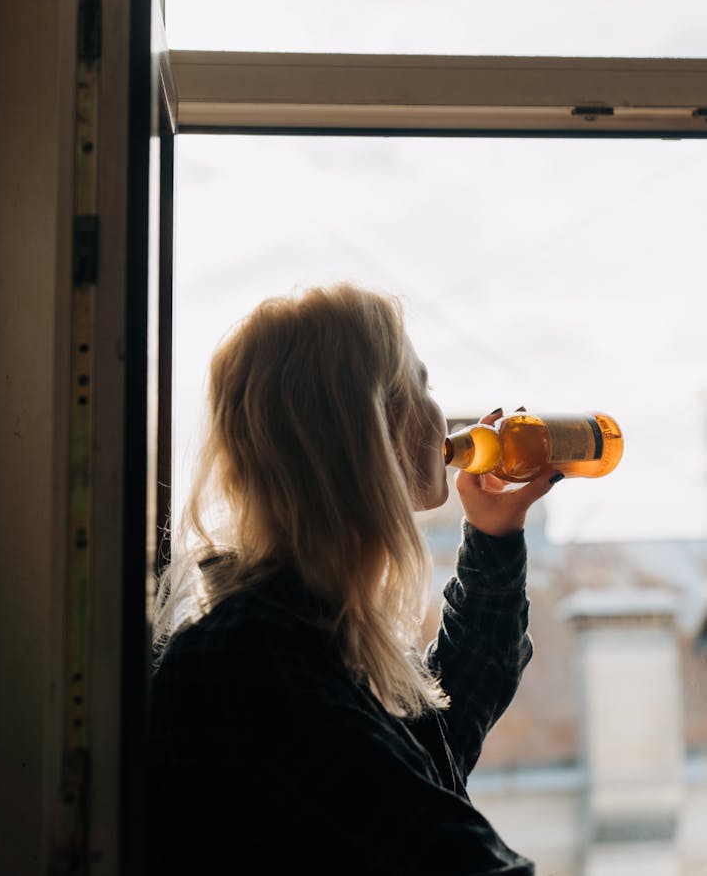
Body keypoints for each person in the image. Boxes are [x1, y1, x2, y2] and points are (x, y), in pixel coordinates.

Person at [146, 283, 562, 874]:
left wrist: (494, 542)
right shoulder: (249, 663)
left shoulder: (301, 624)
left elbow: (439, 739)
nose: (441, 414)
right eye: (420, 386)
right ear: (369, 428)